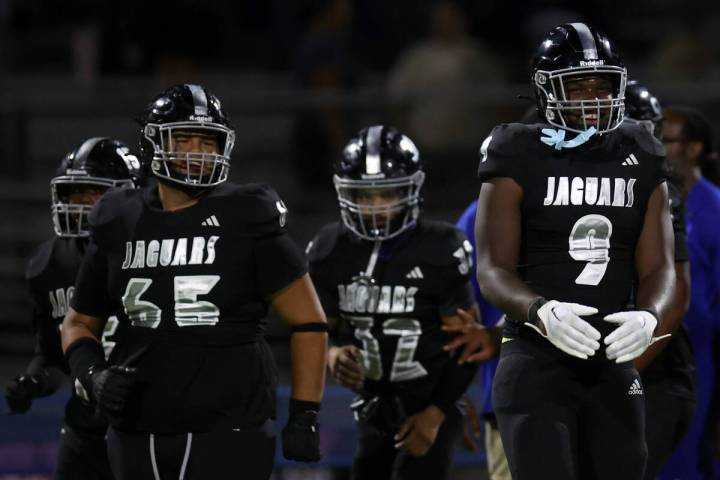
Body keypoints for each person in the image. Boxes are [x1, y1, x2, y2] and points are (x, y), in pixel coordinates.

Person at [59, 84, 328, 480]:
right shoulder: (118, 217)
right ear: (152, 143)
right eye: (182, 139)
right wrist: (93, 375)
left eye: (207, 141)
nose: (197, 152)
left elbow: (309, 322)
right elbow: (78, 322)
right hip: (135, 425)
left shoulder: (247, 212)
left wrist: (305, 414)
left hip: (229, 425)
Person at [475, 24, 675, 479]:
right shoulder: (516, 149)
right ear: (547, 91)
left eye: (601, 85)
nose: (591, 99)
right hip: (535, 355)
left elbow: (660, 265)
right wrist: (540, 311)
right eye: (576, 86)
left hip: (611, 357)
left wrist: (649, 316)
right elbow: (492, 269)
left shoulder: (641, 148)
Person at [307, 125, 479, 480]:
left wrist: (437, 411)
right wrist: (333, 355)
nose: (375, 207)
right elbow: (319, 332)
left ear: (410, 190)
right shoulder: (329, 249)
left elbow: (468, 345)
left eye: (387, 194)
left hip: (430, 394)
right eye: (365, 196)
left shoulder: (440, 247)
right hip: (373, 403)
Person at [4, 137, 139, 479]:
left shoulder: (151, 254)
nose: (81, 204)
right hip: (86, 426)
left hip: (147, 425)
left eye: (94, 193)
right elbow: (52, 356)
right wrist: (33, 382)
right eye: (74, 194)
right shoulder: (48, 264)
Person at [621, 81, 696, 480]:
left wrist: (624, 372)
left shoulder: (660, 192)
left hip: (652, 367)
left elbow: (674, 299)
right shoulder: (563, 186)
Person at [656, 106, 720, 480]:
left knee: (689, 457)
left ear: (692, 149)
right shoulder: (650, 203)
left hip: (700, 354)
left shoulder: (713, 211)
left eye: (666, 140)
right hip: (654, 349)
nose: (657, 147)